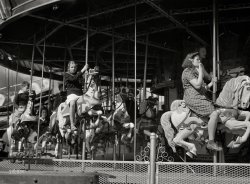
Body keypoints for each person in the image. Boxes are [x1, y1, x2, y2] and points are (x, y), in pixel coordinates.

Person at [181, 52, 222, 151]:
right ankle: (211, 142)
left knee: (218, 110)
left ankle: (203, 136)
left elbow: (203, 88)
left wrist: (212, 82)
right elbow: (198, 85)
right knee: (214, 113)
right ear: (190, 60)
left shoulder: (194, 72)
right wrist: (201, 72)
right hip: (193, 98)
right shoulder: (187, 72)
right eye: (197, 59)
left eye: (200, 59)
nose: (199, 61)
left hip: (200, 96)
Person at [65, 61, 88, 130]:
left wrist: (84, 77)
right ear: (68, 68)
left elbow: (81, 83)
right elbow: (73, 79)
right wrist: (82, 70)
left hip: (80, 94)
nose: (73, 68)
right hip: (71, 94)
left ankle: (86, 121)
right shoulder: (66, 74)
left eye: (75, 67)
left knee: (87, 104)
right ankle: (72, 124)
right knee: (72, 103)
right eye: (72, 67)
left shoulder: (78, 74)